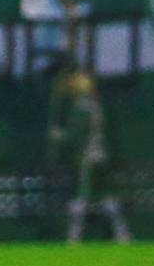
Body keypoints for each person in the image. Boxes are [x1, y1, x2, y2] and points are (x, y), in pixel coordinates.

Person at [50, 59, 131, 243]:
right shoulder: (96, 107)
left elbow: (75, 135)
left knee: (82, 196)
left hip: (88, 157)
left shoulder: (80, 108)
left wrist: (58, 136)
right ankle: (122, 233)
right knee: (106, 195)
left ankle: (74, 236)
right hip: (102, 155)